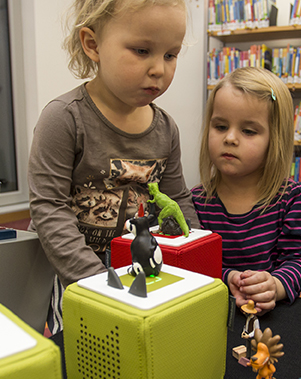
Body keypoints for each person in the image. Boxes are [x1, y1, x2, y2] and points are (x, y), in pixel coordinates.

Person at [28, 0, 199, 333]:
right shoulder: (63, 119)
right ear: (92, 45)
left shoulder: (166, 129)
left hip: (141, 265)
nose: (159, 70)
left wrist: (193, 255)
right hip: (79, 276)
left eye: (170, 54)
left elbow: (177, 199)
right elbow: (48, 208)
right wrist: (97, 283)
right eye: (141, 50)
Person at [192, 67, 301, 314]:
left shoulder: (291, 198)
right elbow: (194, 263)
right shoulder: (195, 201)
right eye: (220, 126)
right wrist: (229, 277)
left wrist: (276, 285)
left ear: (275, 139)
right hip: (211, 314)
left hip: (271, 317)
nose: (230, 138)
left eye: (248, 131)